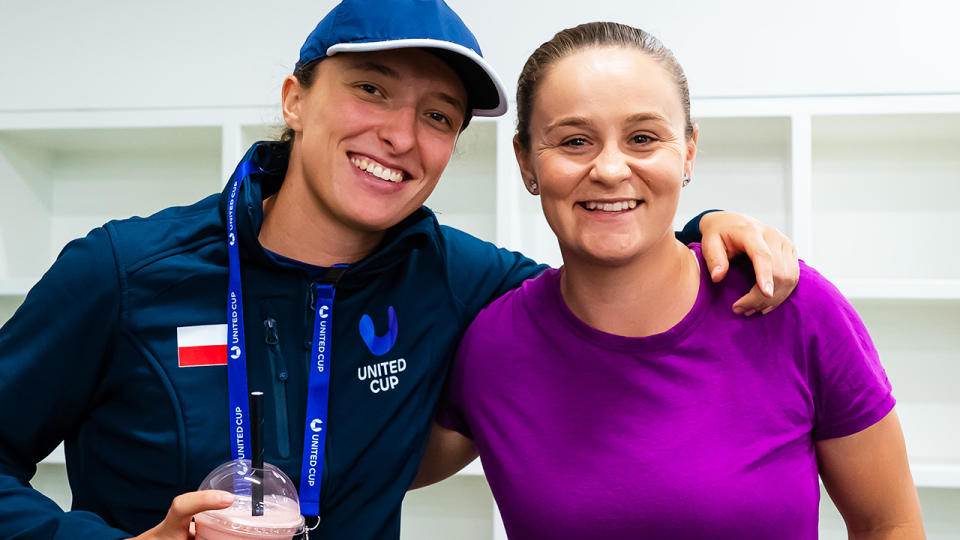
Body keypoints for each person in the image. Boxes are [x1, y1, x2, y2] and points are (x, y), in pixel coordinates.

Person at [0, 3, 799, 540]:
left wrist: (705, 230)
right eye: (371, 90)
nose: (399, 136)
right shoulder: (123, 270)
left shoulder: (458, 278)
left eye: (438, 116)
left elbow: (600, 280)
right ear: (295, 99)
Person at [416, 22, 924, 539]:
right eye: (574, 141)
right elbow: (362, 468)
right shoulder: (494, 346)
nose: (611, 169)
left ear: (688, 152)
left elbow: (890, 525)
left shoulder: (789, 304)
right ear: (527, 162)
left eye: (642, 138)